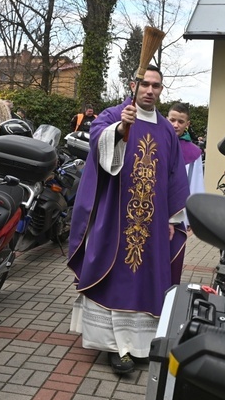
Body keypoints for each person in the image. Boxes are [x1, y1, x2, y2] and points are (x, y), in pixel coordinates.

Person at [68, 65, 190, 375]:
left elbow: (176, 174)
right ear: (134, 86)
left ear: (162, 90)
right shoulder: (114, 115)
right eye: (145, 84)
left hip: (154, 221)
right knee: (115, 277)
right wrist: (120, 131)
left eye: (156, 86)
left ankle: (141, 344)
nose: (150, 90)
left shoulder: (165, 130)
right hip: (117, 218)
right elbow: (98, 143)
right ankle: (114, 346)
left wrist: (173, 218)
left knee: (148, 278)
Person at [167, 102, 204, 230]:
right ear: (166, 119)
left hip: (178, 209)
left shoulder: (193, 153)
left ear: (187, 124)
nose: (175, 125)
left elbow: (196, 185)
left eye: (180, 122)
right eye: (172, 120)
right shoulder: (155, 144)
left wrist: (192, 218)